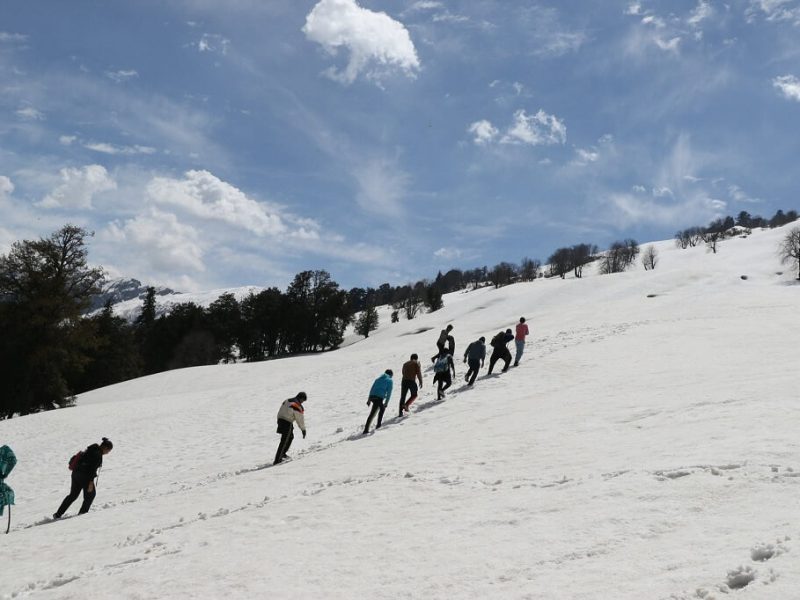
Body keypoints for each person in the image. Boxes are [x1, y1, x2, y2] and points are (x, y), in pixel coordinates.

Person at [53, 437, 113, 519]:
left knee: (73, 495)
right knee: (90, 495)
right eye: (108, 451)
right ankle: (82, 515)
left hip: (75, 474)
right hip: (85, 477)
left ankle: (57, 514)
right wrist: (91, 482)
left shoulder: (91, 449)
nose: (108, 453)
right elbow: (92, 469)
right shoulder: (97, 454)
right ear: (105, 448)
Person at [274, 392, 307, 465]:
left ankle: (282, 454)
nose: (302, 402)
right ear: (301, 398)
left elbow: (280, 410)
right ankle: (277, 460)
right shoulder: (297, 405)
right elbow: (299, 419)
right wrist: (303, 429)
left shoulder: (287, 400)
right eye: (303, 401)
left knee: (290, 437)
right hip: (287, 422)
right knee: (284, 440)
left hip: (280, 420)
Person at [364, 370, 394, 434]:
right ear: (390, 375)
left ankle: (375, 426)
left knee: (378, 409)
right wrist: (386, 403)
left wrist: (369, 399)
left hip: (372, 397)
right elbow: (389, 393)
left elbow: (372, 389)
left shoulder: (378, 379)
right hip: (378, 398)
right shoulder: (390, 380)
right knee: (377, 411)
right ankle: (375, 427)